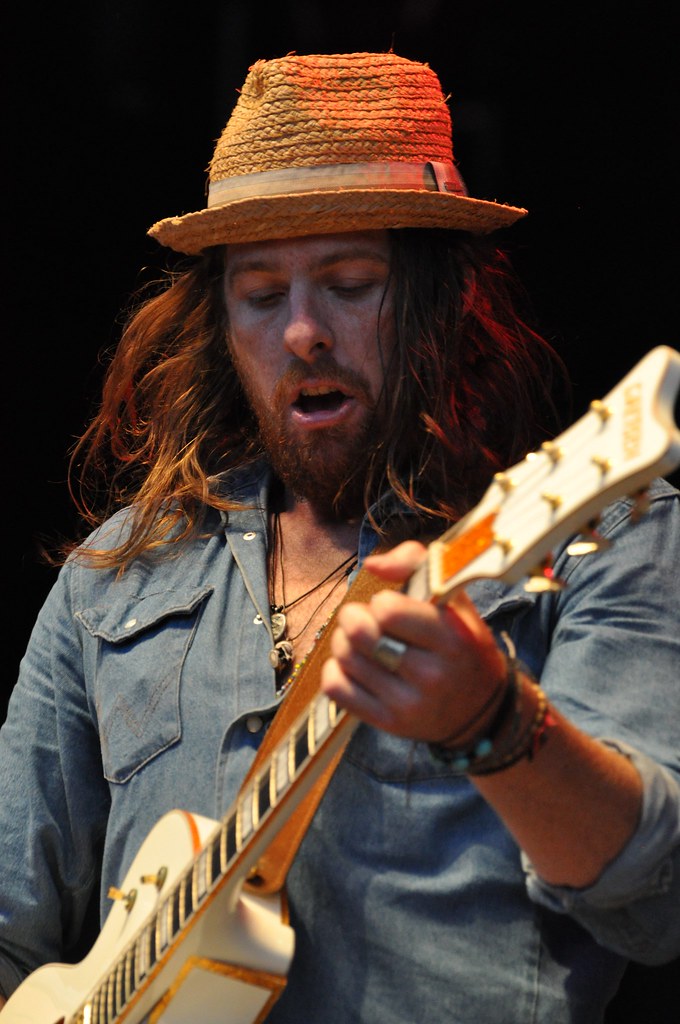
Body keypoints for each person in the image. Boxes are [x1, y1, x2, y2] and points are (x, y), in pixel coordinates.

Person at [1, 50, 679, 1024]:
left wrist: (489, 723)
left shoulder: (600, 531)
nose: (303, 332)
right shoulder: (117, 576)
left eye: (350, 282)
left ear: (442, 300)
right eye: (261, 294)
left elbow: (650, 899)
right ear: (221, 323)